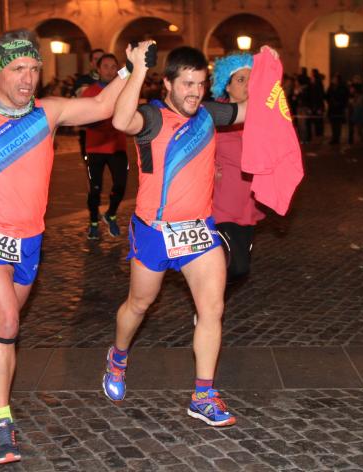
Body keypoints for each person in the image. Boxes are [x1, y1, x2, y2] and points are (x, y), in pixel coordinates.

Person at [0, 29, 140, 465]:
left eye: (34, 69)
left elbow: (103, 106)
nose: (28, 79)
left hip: (28, 241)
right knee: (7, 320)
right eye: (18, 69)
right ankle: (2, 424)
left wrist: (132, 66)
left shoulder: (48, 112)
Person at [101, 44, 279, 427]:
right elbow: (119, 120)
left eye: (200, 84)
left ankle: (203, 395)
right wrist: (135, 70)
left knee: (212, 309)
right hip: (154, 232)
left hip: (199, 231)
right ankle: (118, 355)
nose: (194, 92)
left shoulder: (209, 114)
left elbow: (253, 111)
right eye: (186, 84)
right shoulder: (150, 116)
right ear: (167, 83)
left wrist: (269, 73)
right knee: (138, 305)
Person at [210, 53, 265, 282]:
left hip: (248, 203)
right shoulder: (215, 115)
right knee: (236, 266)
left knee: (240, 266)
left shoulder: (261, 117)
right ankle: (207, 306)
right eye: (240, 80)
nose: (247, 85)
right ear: (227, 85)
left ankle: (209, 306)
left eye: (251, 80)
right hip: (221, 204)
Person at [82, 53, 129, 239]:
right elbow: (82, 117)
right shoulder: (90, 92)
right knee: (95, 188)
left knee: (121, 185)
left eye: (113, 67)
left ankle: (111, 214)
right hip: (95, 148)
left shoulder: (124, 89)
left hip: (118, 146)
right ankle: (93, 222)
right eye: (106, 66)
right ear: (98, 69)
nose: (109, 70)